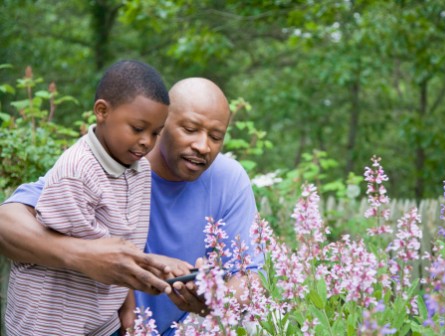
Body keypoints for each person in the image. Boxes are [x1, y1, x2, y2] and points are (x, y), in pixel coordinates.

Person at [0, 77, 263, 335]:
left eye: (216, 136)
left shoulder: (229, 178)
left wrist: (219, 297)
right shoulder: (117, 162)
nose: (203, 146)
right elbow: (6, 222)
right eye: (190, 129)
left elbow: (252, 276)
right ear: (163, 124)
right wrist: (86, 255)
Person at [5, 60, 193, 335]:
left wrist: (128, 308)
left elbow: (124, 245)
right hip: (51, 323)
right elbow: (98, 257)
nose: (147, 142)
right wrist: (161, 267)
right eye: (137, 128)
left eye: (155, 132)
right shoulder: (77, 172)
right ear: (102, 112)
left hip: (98, 322)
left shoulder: (140, 170)